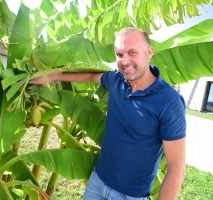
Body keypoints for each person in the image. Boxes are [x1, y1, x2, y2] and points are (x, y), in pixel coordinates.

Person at [29, 27, 186, 200]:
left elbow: (176, 167)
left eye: (132, 52)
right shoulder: (117, 81)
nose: (125, 61)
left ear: (149, 52)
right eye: (119, 55)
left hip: (130, 195)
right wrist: (54, 77)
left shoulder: (169, 101)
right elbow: (90, 76)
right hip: (98, 181)